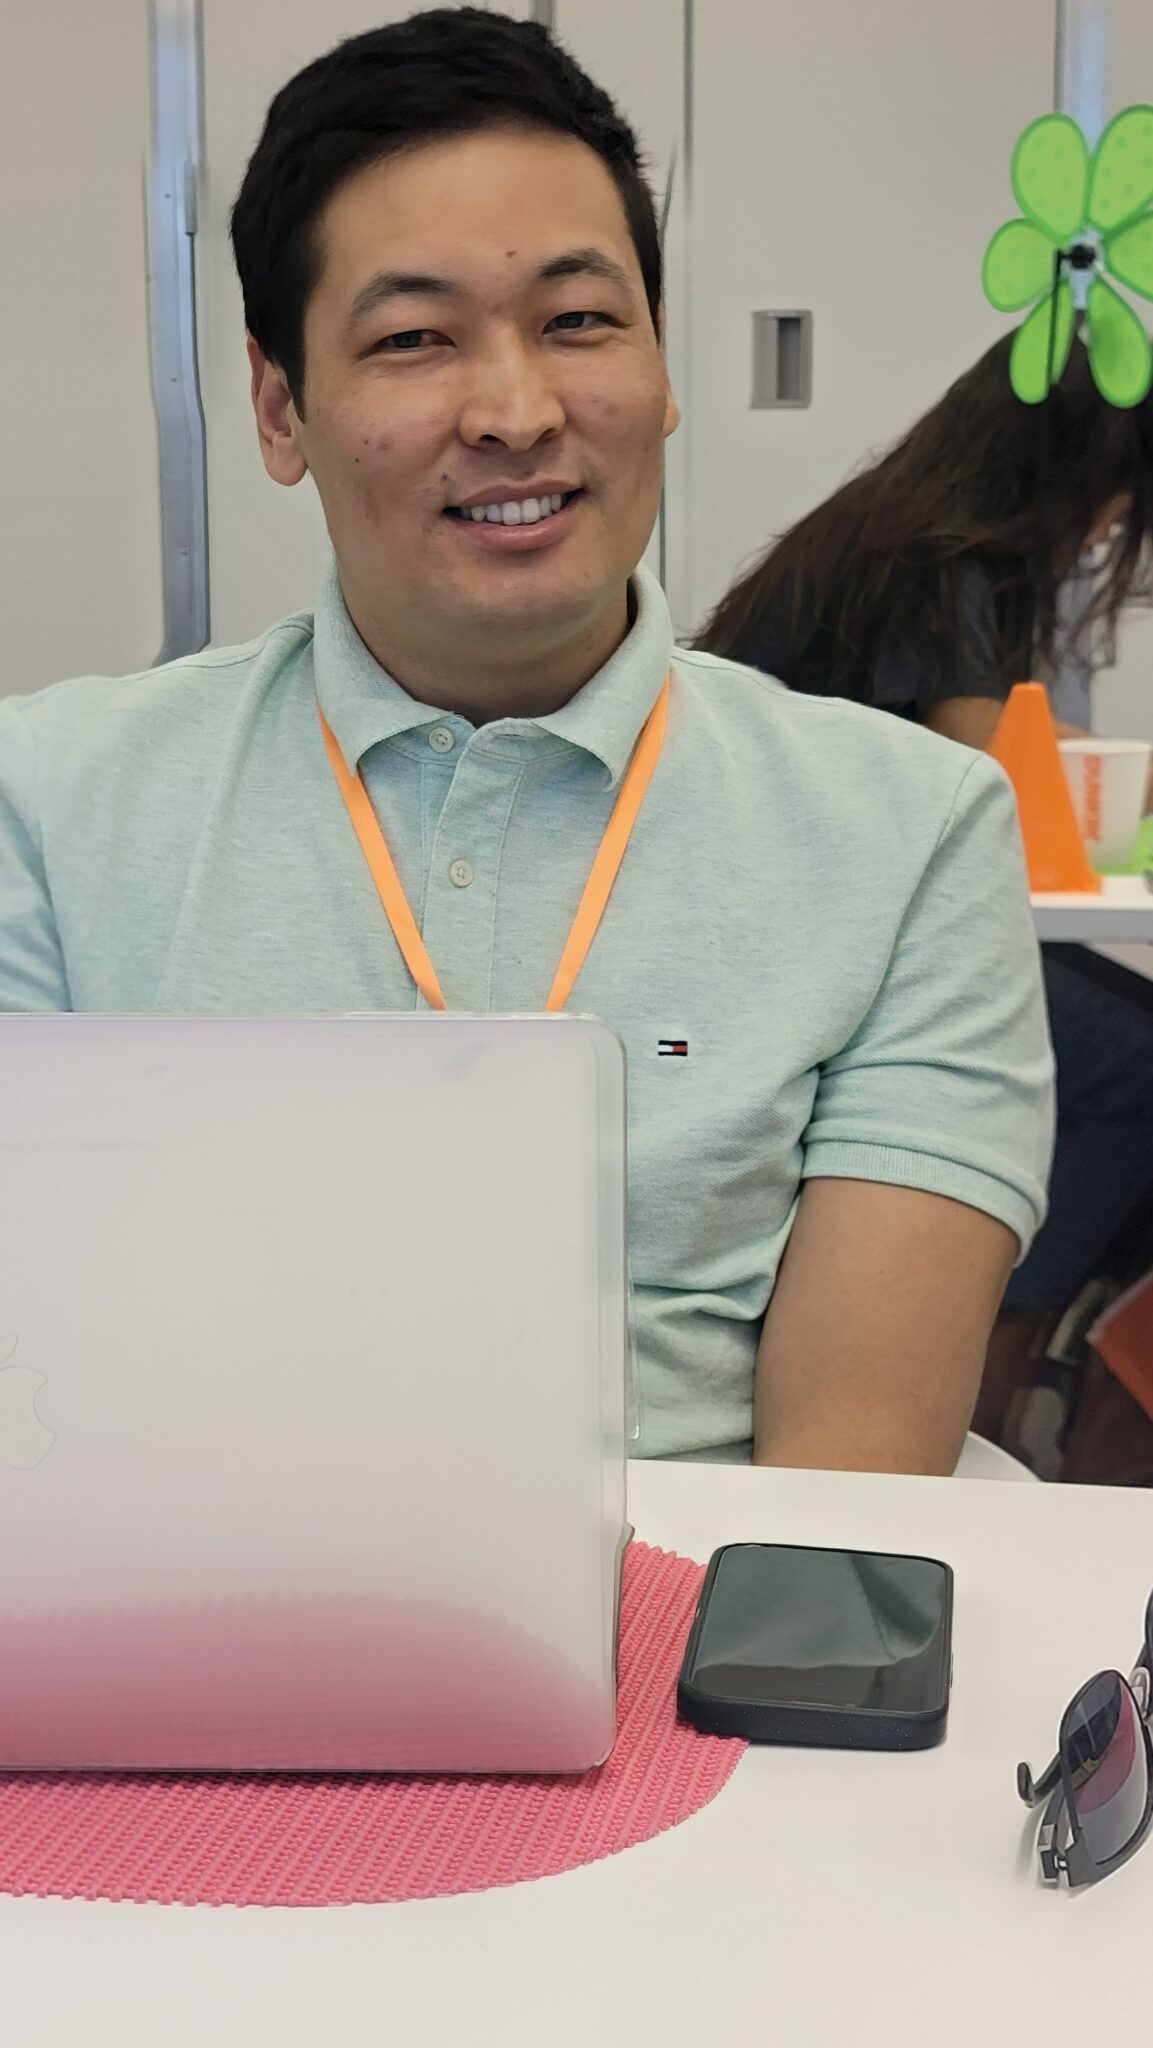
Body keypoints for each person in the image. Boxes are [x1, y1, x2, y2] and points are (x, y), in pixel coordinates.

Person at [0, 9, 1052, 1473]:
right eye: (414, 339)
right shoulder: (47, 802)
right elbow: (45, 1421)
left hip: (716, 1639)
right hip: (203, 1629)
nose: (515, 410)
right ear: (277, 402)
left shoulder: (907, 831)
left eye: (578, 320)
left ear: (664, 365)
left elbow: (845, 1496)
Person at [695, 333, 1153, 1405]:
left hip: (808, 900)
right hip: (805, 930)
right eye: (1119, 495)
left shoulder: (906, 539)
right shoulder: (952, 567)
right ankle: (989, 1350)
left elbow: (1003, 765)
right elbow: (980, 795)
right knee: (1137, 1072)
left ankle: (1055, 1357)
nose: (1117, 526)